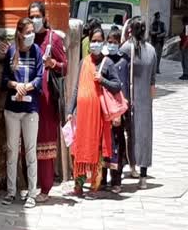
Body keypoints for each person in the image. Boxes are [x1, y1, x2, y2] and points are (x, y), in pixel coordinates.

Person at [67, 28, 122, 198]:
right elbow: (76, 87)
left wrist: (102, 80)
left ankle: (95, 184)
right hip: (83, 115)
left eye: (99, 41)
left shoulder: (108, 63)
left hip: (98, 116)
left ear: (103, 43)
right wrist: (70, 110)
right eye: (93, 40)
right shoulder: (84, 62)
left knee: (96, 149)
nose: (95, 44)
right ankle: (79, 184)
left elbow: (117, 85)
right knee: (79, 148)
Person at [2, 18, 44, 208]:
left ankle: (32, 193)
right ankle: (11, 191)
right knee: (11, 150)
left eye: (32, 31)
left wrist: (26, 87)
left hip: (30, 109)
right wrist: (16, 85)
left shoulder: (37, 51)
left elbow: (39, 77)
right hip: (12, 109)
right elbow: (4, 79)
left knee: (30, 151)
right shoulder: (11, 51)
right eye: (27, 32)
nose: (30, 35)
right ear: (19, 34)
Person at [28, 1, 68, 202]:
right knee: (29, 144)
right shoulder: (28, 38)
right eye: (31, 16)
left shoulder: (54, 39)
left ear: (44, 16)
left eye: (37, 16)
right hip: (29, 100)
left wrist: (53, 63)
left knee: (45, 144)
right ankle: (31, 185)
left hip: (47, 101)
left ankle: (45, 188)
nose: (34, 20)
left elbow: (65, 67)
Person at [121, 17, 158, 189]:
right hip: (145, 101)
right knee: (144, 136)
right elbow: (153, 80)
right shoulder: (151, 50)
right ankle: (142, 176)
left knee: (124, 135)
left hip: (128, 99)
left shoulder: (127, 48)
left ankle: (125, 169)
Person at [101, 28, 130, 194]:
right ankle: (103, 178)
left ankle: (116, 179)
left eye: (114, 42)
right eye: (109, 42)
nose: (111, 45)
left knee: (117, 145)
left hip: (118, 111)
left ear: (120, 43)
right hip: (104, 110)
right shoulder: (104, 61)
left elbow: (124, 86)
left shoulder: (124, 61)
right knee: (104, 144)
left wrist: (120, 112)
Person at [179, 15, 188, 80]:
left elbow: (187, 37)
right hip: (186, 46)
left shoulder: (187, 27)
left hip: (186, 47)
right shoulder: (187, 27)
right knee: (184, 60)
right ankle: (185, 73)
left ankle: (186, 74)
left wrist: (183, 46)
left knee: (185, 60)